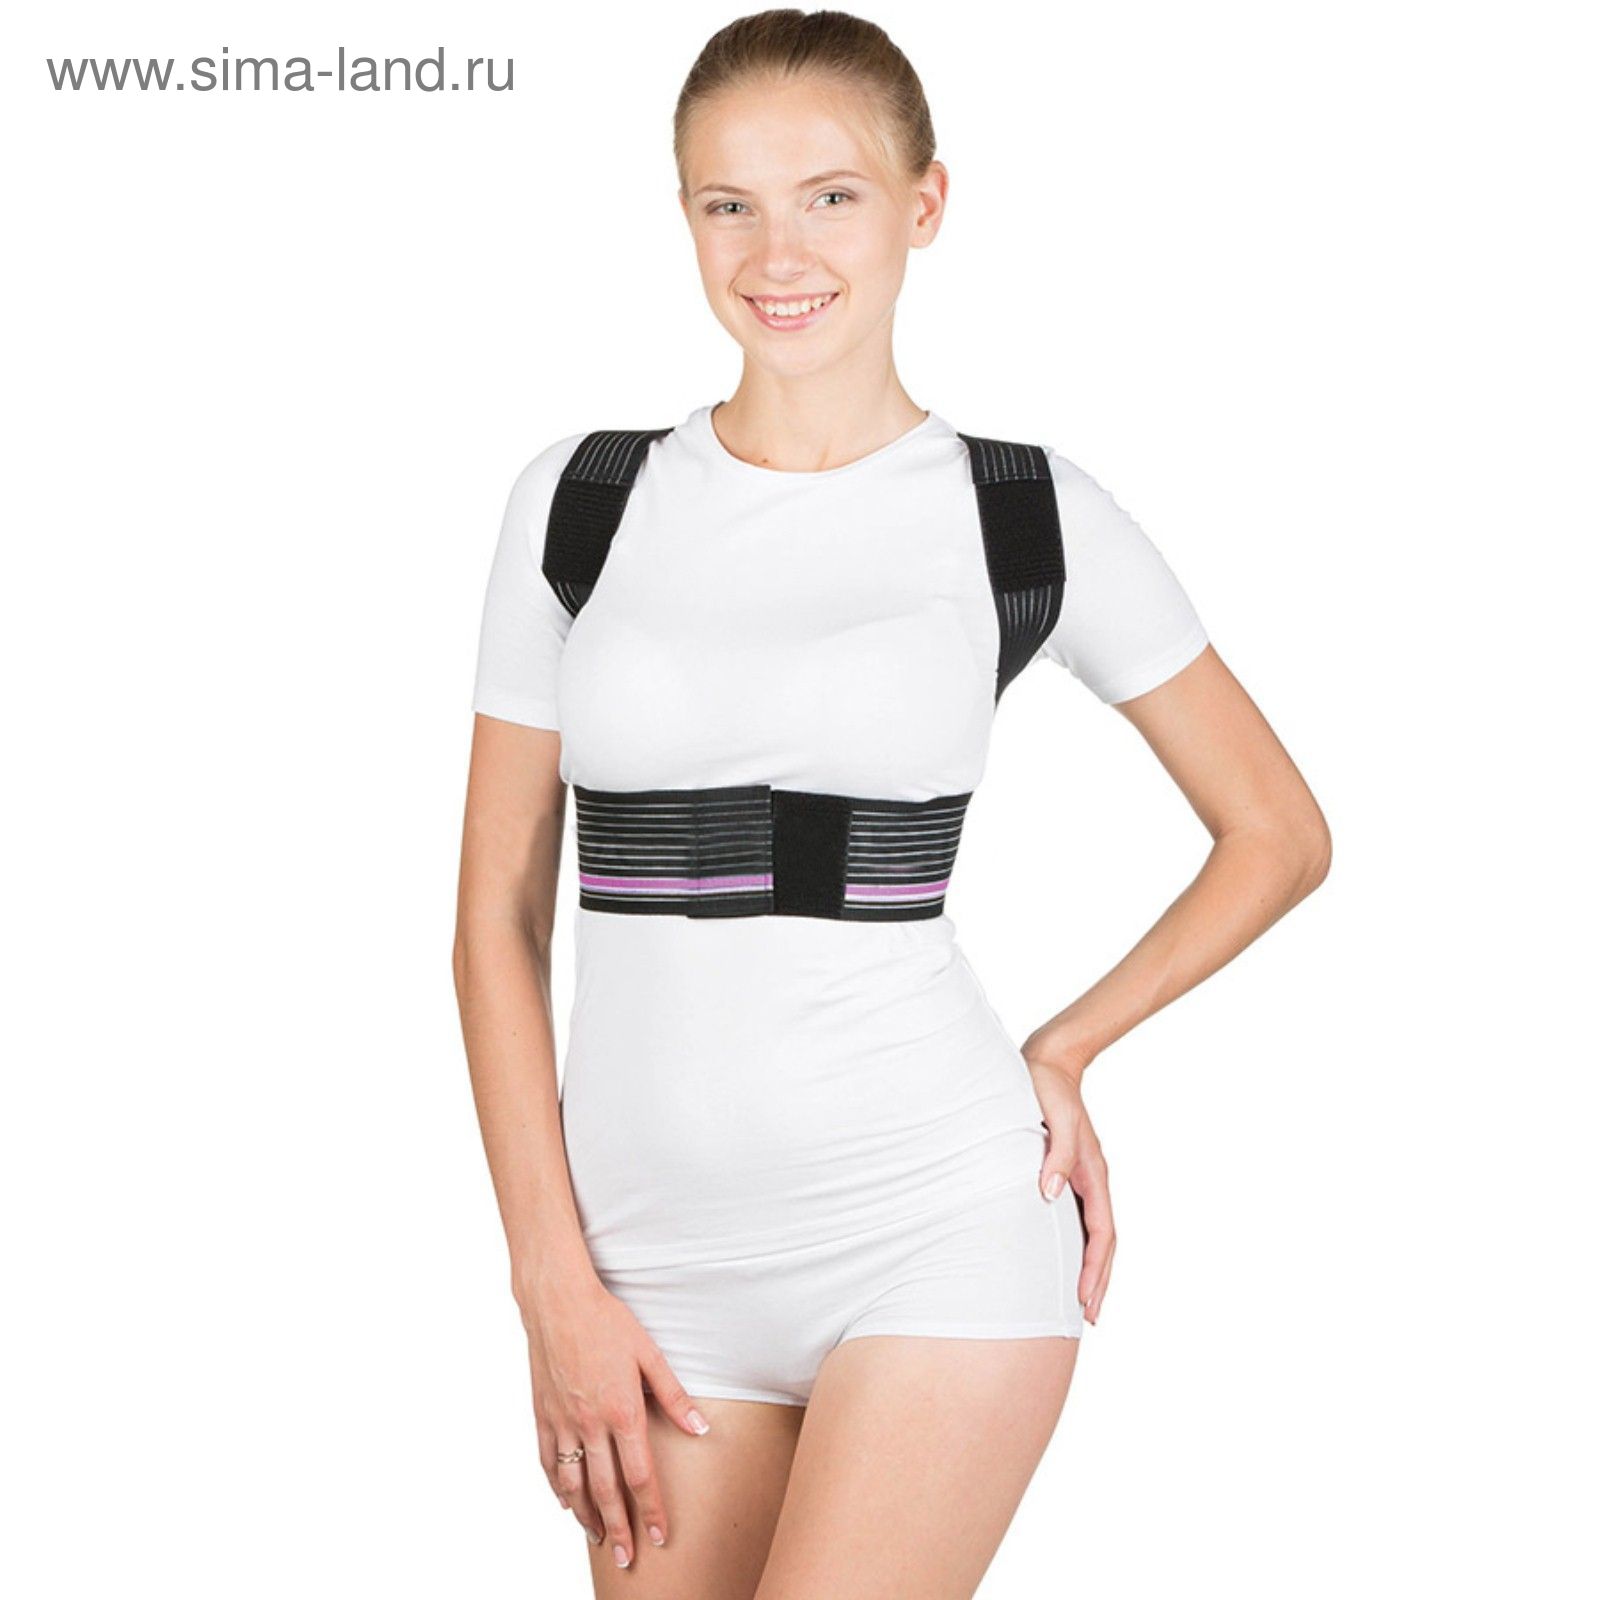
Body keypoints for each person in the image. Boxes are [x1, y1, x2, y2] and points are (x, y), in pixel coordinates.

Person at [452, 10, 1331, 1597]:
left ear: (926, 204)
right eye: (730, 204)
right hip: (650, 1268)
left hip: (932, 1225)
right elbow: (496, 920)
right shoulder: (579, 501)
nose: (777, 252)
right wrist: (549, 1284)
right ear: (684, 216)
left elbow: (1276, 833)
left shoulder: (1023, 510)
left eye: (832, 197)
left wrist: (1065, 1046)